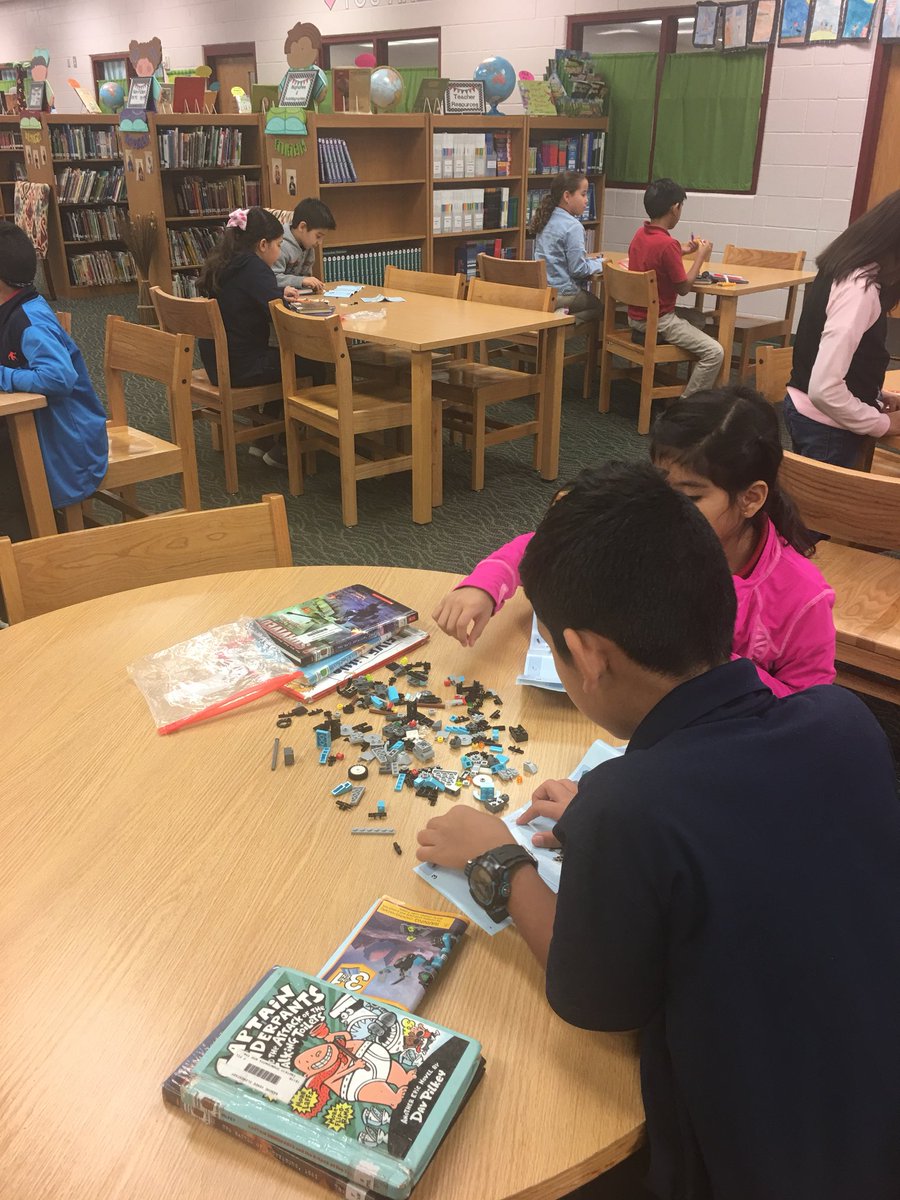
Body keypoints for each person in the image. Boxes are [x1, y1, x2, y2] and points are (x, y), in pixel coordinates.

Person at [417, 461, 900, 1200]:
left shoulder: (628, 807)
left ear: (585, 656)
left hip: (757, 1167)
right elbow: (742, 830)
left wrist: (499, 860)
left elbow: (593, 1002)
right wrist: (602, 814)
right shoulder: (845, 720)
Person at [432, 386, 835, 697]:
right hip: (631, 712)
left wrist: (715, 672)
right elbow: (550, 545)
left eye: (692, 496)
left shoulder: (801, 598)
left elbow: (809, 708)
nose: (670, 506)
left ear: (751, 498)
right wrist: (485, 585)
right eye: (663, 485)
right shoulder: (654, 525)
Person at [0, 224, 107, 540]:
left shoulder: (30, 322)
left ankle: (25, 570)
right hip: (33, 427)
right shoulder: (11, 308)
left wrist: (4, 377)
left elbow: (58, 378)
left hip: (64, 442)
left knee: (7, 494)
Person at [784, 188, 900, 467]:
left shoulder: (849, 268)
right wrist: (883, 424)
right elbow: (824, 390)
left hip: (814, 416)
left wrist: (875, 394)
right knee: (823, 510)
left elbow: (834, 359)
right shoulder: (860, 288)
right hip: (826, 427)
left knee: (806, 506)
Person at [197, 206, 304, 469]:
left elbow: (247, 297)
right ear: (263, 244)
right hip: (242, 366)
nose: (280, 253)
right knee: (308, 363)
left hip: (218, 363)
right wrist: (289, 304)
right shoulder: (255, 268)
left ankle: (265, 439)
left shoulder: (225, 261)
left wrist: (278, 293)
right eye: (279, 245)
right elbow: (278, 316)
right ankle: (286, 450)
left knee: (281, 360)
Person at [626, 177, 722, 398]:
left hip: (635, 316)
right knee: (714, 352)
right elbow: (684, 288)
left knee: (697, 319)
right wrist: (700, 256)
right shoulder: (667, 244)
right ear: (675, 208)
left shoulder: (641, 234)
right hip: (659, 319)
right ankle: (686, 405)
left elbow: (656, 255)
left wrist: (684, 250)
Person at [530, 171, 604, 319]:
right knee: (599, 308)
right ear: (567, 196)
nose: (587, 200)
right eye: (583, 194)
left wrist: (591, 261)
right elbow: (578, 270)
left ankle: (561, 317)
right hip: (562, 294)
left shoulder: (546, 219)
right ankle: (562, 321)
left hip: (542, 292)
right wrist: (601, 264)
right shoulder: (573, 226)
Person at [272, 197, 335, 295]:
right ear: (302, 227)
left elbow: (306, 276)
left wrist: (310, 284)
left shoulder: (308, 247)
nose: (320, 242)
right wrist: (301, 281)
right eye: (318, 236)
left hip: (298, 296)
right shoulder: (280, 245)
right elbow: (272, 278)